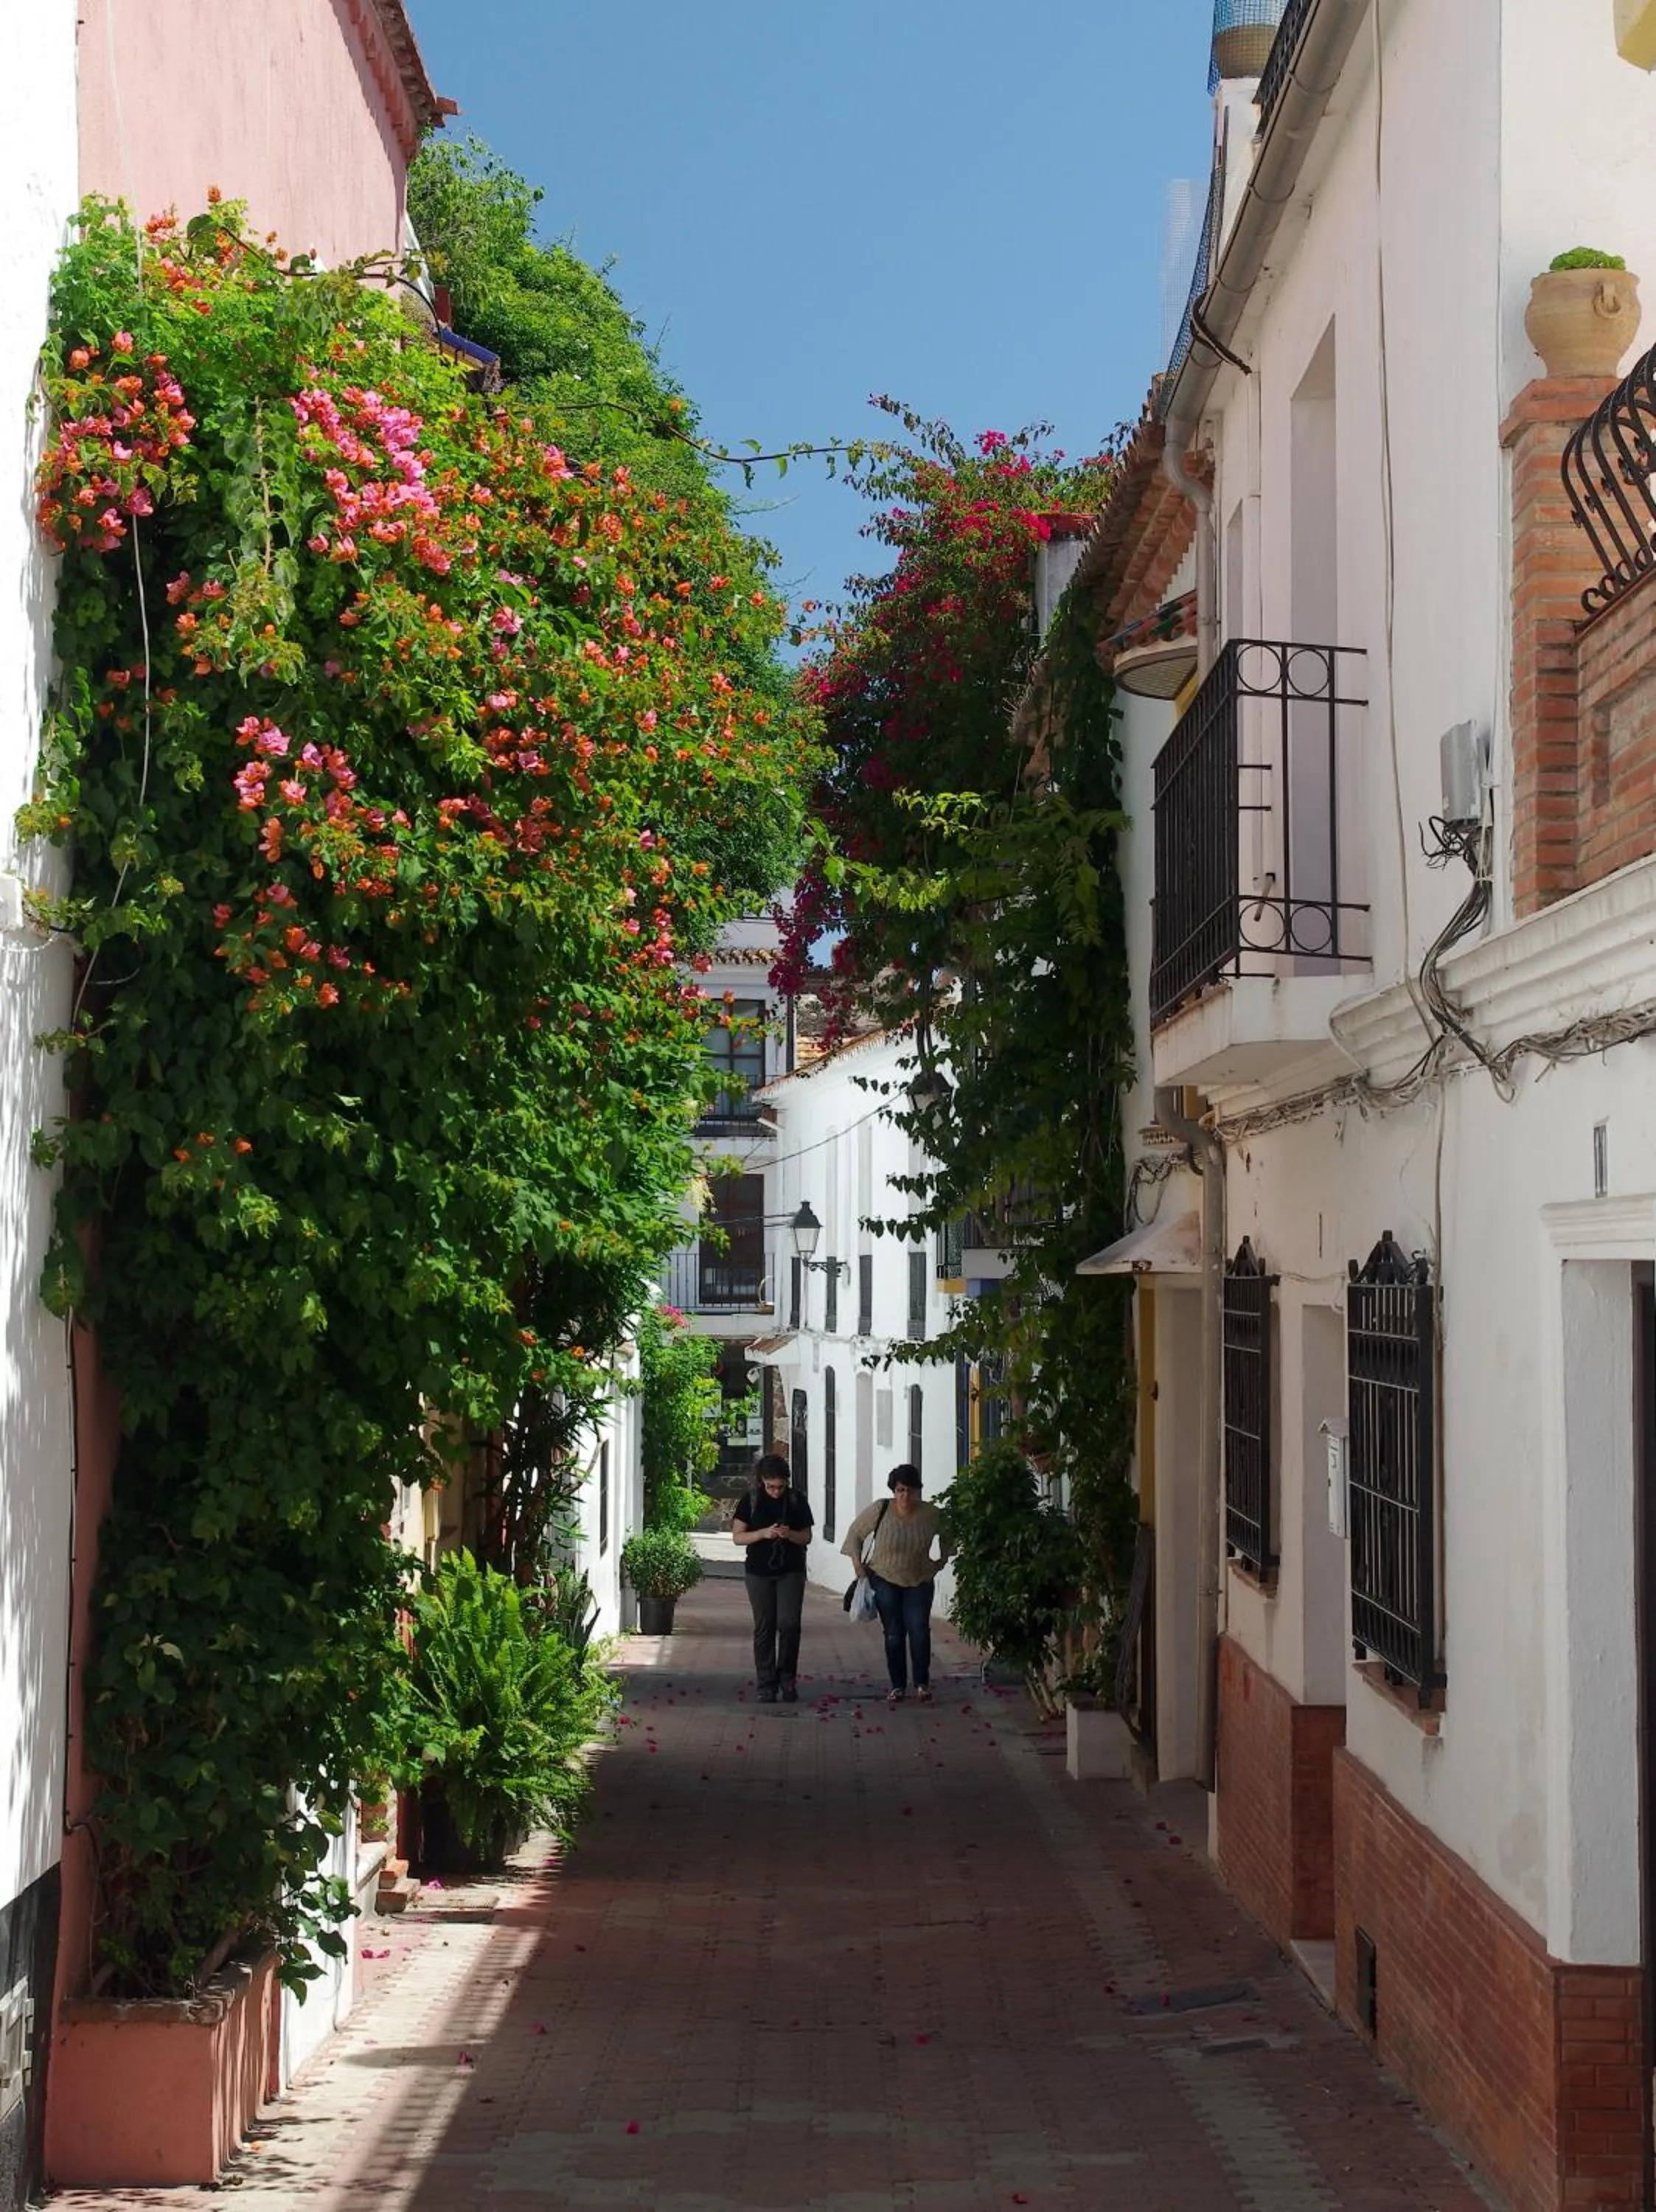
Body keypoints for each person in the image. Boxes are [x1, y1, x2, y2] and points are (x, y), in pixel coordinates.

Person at [842, 1464, 950, 1707]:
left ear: (918, 1491)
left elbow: (949, 1534)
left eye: (910, 1490)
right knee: (894, 1633)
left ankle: (922, 1683)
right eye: (900, 1490)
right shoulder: (881, 1509)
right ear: (894, 1491)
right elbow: (855, 1534)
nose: (905, 1496)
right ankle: (898, 1685)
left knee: (919, 1630)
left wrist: (941, 1561)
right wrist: (858, 1564)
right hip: (884, 1578)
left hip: (919, 1579)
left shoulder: (931, 1514)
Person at [731, 1451, 813, 1703]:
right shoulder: (751, 1500)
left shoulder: (797, 1501)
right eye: (770, 1487)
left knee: (789, 1624)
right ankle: (766, 1683)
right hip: (758, 1572)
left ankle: (787, 1677)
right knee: (764, 1627)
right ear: (761, 1482)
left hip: (791, 1570)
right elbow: (738, 1537)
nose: (776, 1492)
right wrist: (764, 1534)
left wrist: (789, 1535)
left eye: (780, 1486)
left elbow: (807, 1537)